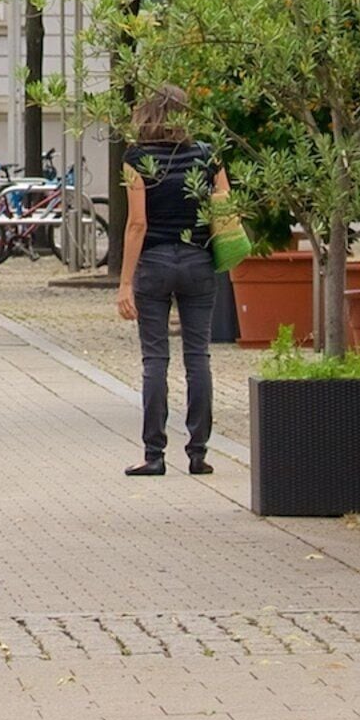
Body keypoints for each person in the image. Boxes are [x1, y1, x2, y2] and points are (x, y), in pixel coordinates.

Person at [109, 84, 229, 477]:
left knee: (155, 359)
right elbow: (225, 207)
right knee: (198, 358)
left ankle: (154, 454)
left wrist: (125, 283)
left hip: (155, 264)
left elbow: (137, 224)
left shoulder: (137, 159)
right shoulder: (209, 155)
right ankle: (198, 453)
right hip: (197, 260)